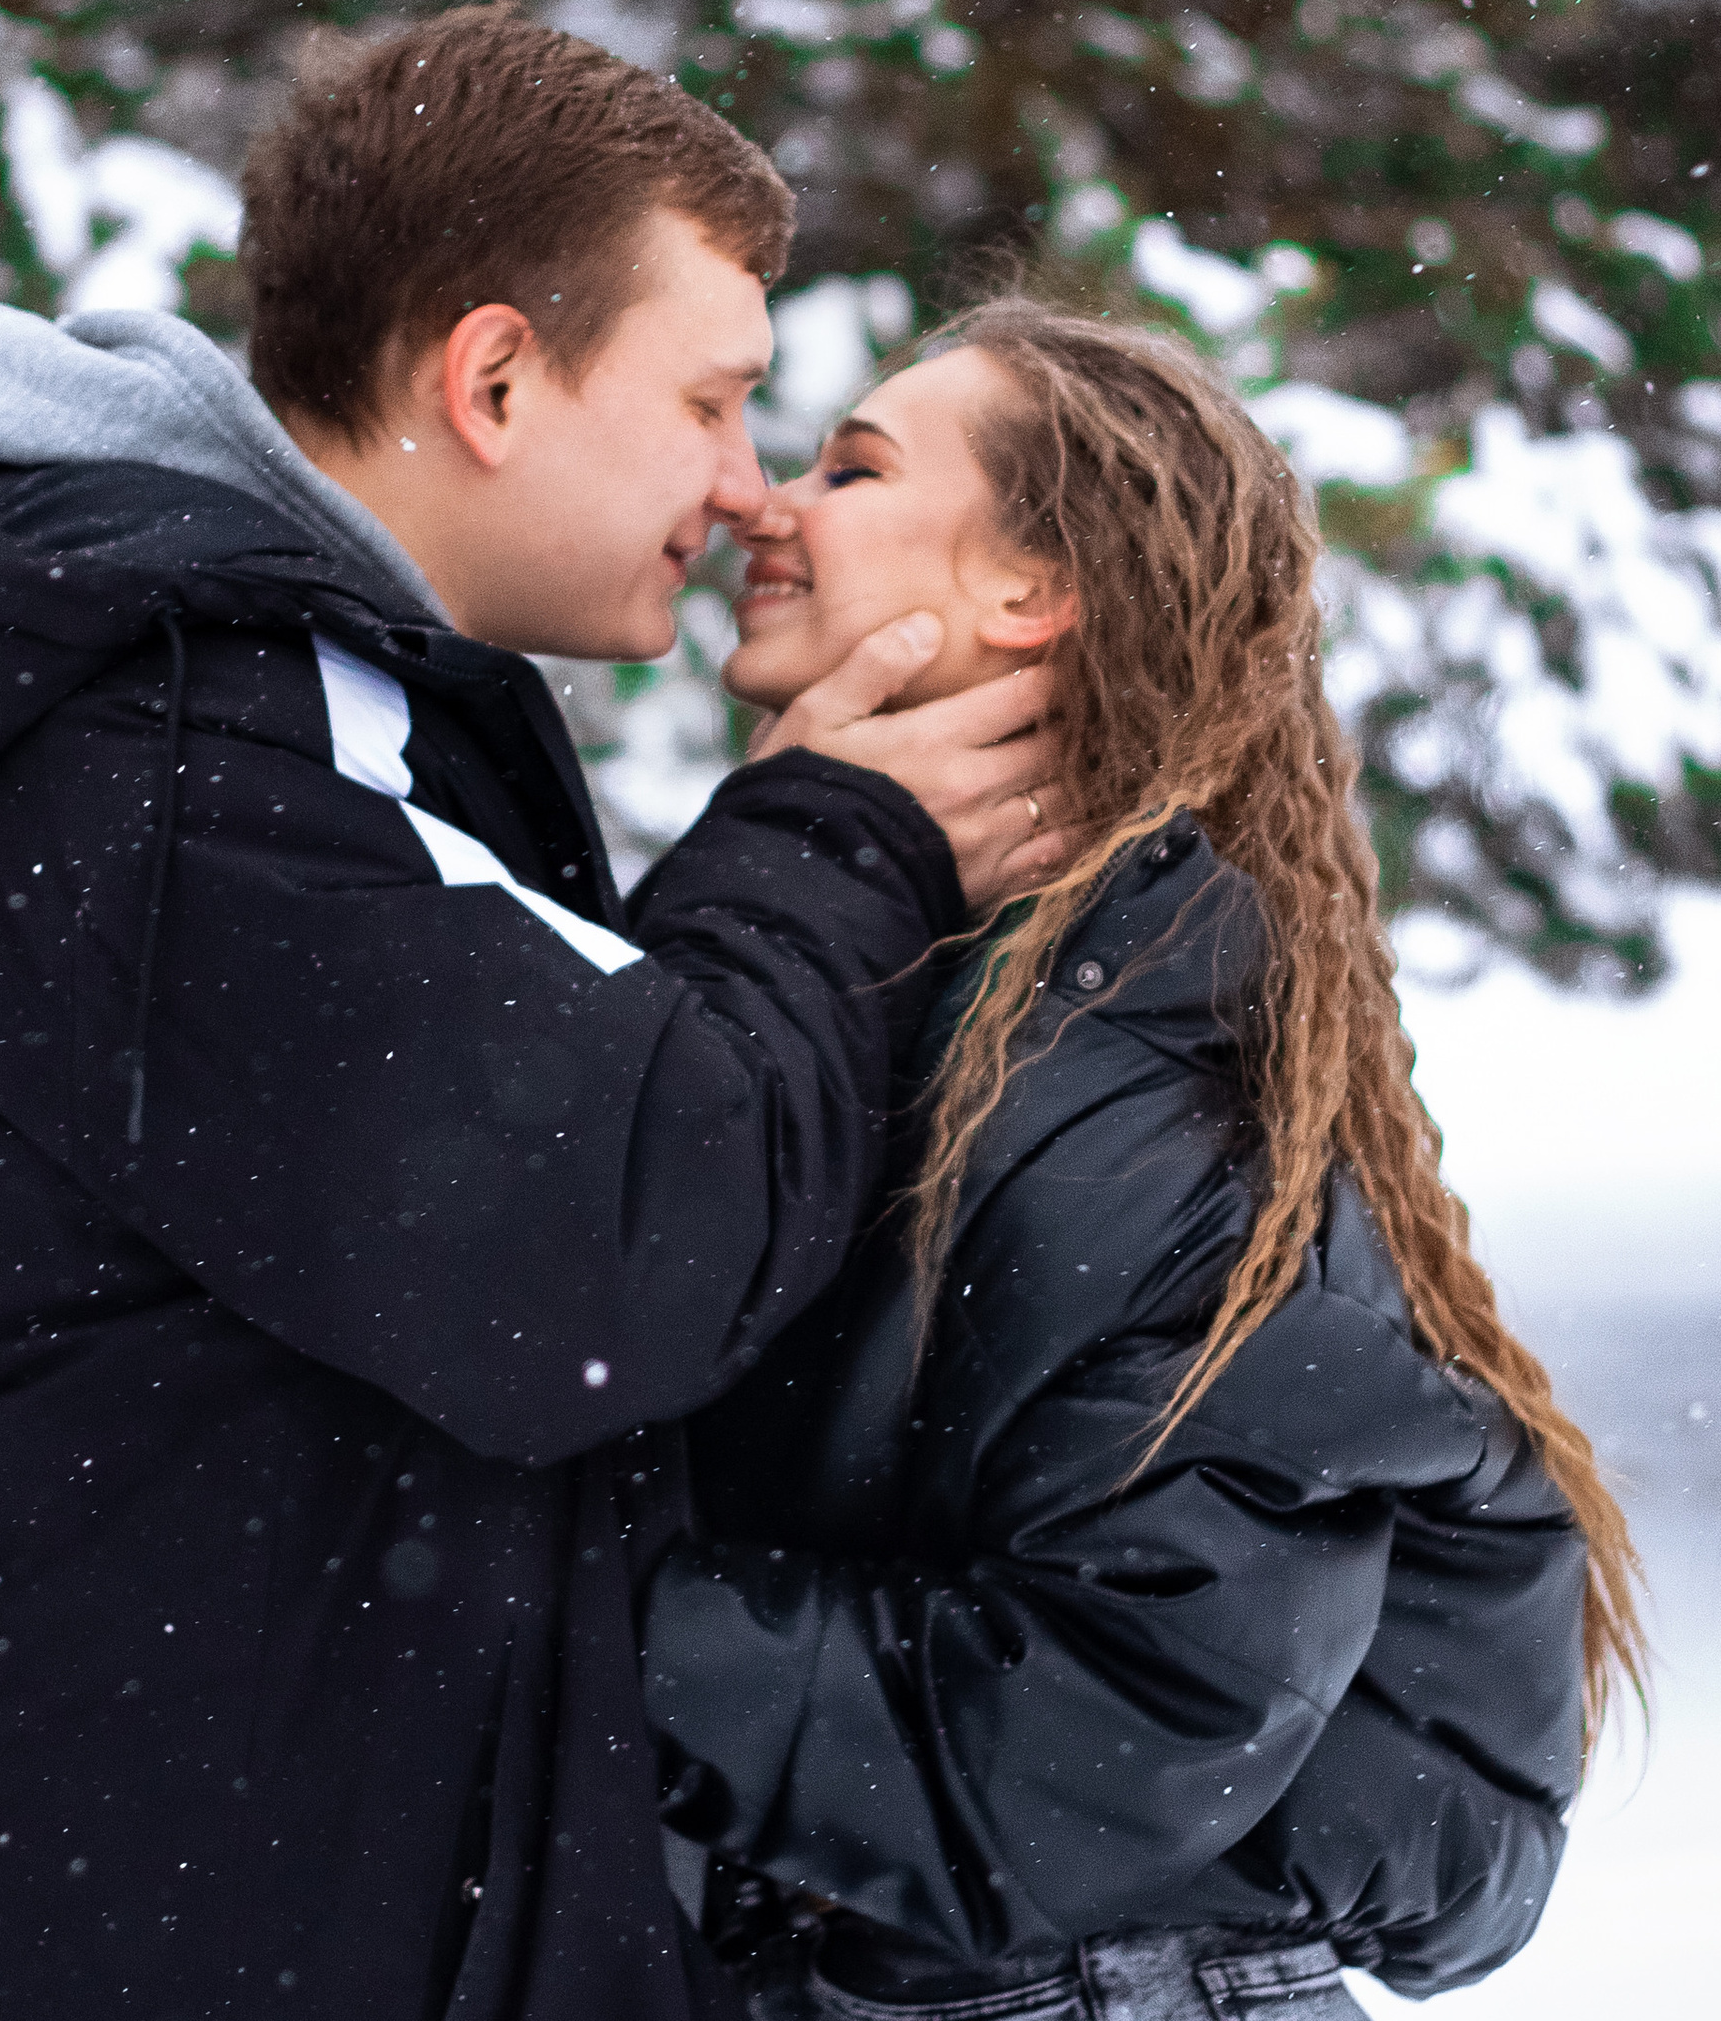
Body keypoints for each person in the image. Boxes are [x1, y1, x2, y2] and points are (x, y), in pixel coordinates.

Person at [0, 7, 1073, 2021]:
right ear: (497, 375)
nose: (743, 488)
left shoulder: (291, 726)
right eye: (712, 400)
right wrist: (832, 838)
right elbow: (615, 1246)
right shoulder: (177, 763)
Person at [642, 299, 1645, 2019]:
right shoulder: (892, 992)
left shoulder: (1124, 1084)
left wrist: (562, 1622)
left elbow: (1085, 1746)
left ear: (1033, 595)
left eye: (853, 466)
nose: (767, 504)